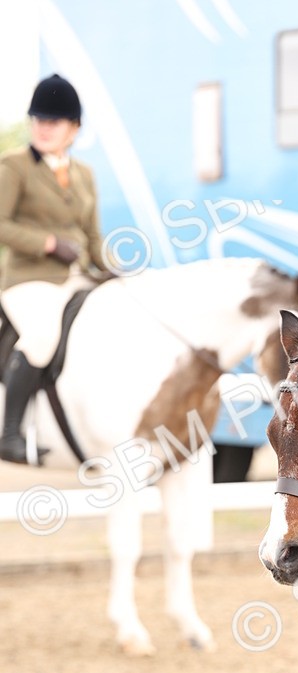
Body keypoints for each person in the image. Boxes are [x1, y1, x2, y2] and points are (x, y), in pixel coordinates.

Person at [0, 73, 107, 463]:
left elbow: (93, 237)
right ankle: (9, 434)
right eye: (38, 119)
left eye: (54, 121)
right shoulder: (14, 166)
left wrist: (115, 271)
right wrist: (46, 243)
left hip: (76, 277)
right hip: (28, 281)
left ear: (74, 128)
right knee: (42, 337)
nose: (44, 127)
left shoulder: (84, 174)